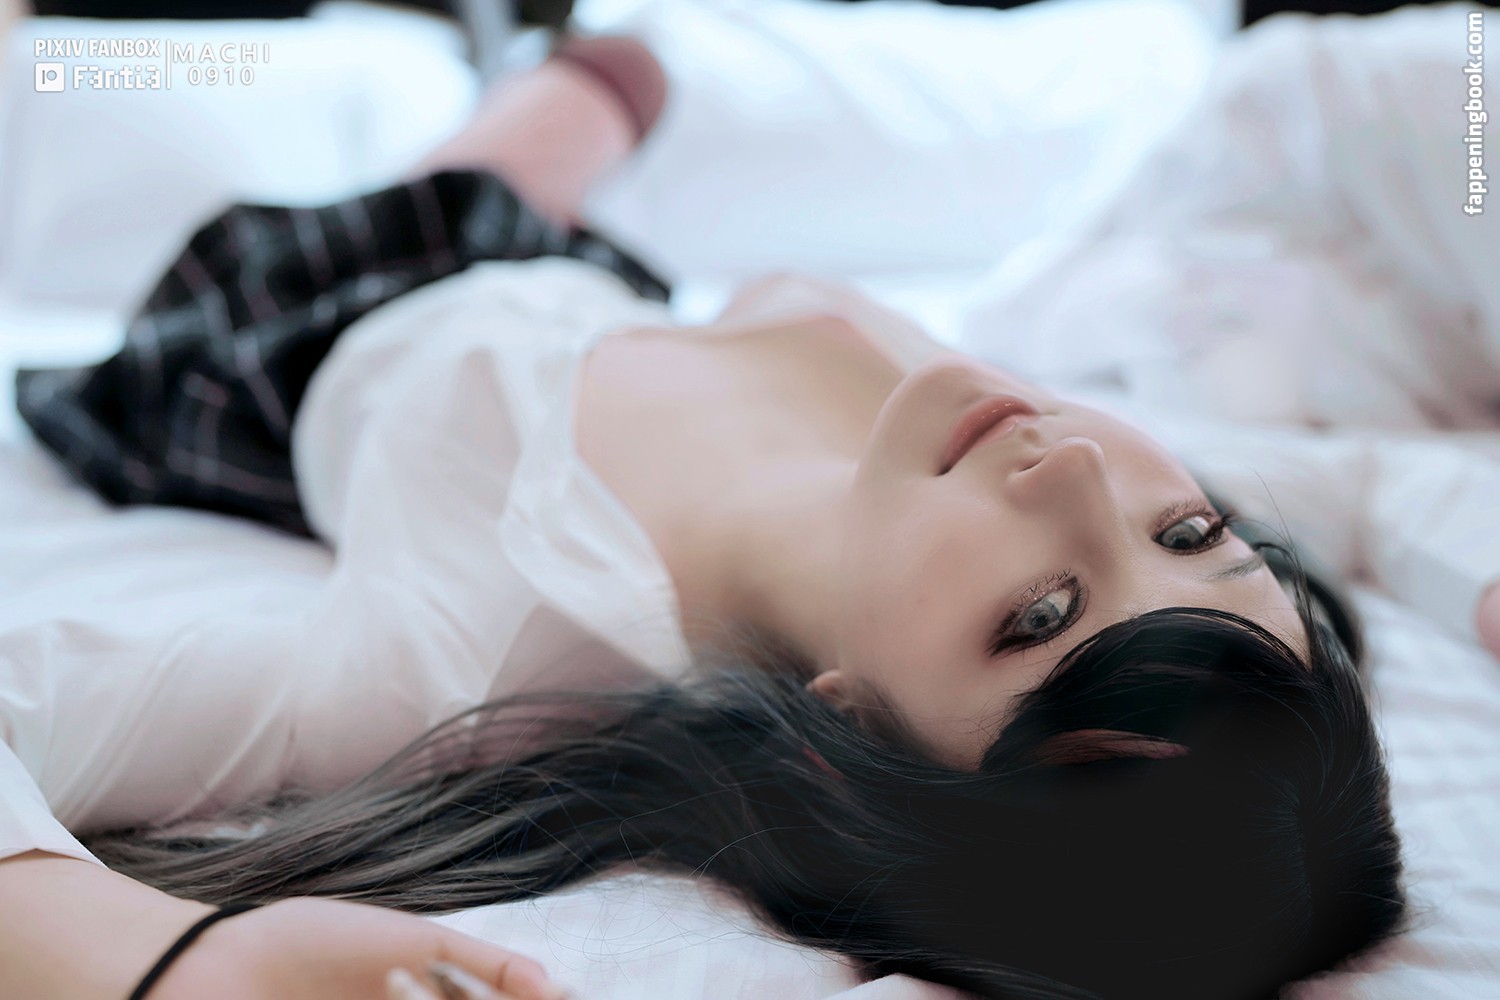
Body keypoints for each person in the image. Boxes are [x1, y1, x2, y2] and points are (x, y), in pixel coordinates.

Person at [7, 26, 1480, 1000]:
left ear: (849, 722)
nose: (1082, 477)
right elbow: (1371, 482)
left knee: (230, 91)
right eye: (1195, 538)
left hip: (300, 320)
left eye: (1039, 615)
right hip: (596, 285)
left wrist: (153, 958)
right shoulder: (991, 439)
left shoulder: (479, 642)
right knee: (628, 82)